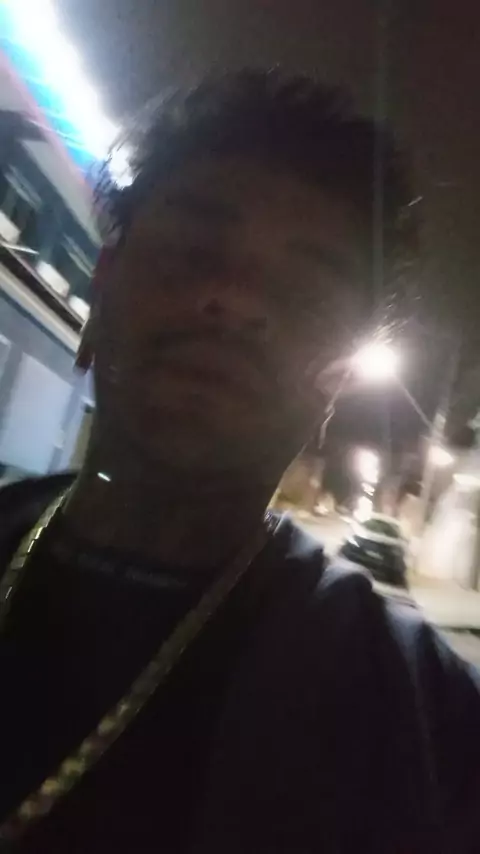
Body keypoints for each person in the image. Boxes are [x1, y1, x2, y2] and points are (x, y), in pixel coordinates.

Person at [0, 70, 478, 854]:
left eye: (308, 292)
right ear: (104, 284)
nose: (238, 301)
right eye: (194, 253)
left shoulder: (429, 725)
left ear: (334, 383)